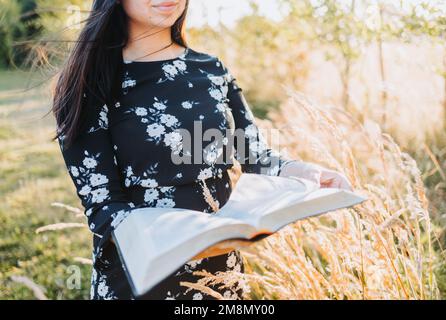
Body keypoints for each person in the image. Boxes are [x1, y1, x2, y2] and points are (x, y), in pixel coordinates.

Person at [52, 0, 352, 300]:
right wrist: (179, 237)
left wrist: (307, 174)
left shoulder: (212, 70)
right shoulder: (90, 81)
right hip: (140, 277)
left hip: (219, 273)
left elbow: (254, 155)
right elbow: (104, 206)